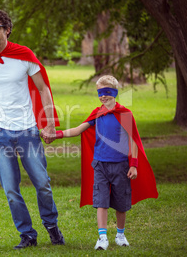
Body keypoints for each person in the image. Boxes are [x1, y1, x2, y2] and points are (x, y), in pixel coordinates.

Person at [0, 10, 65, 249]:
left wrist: (50, 123)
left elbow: (43, 89)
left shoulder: (24, 56)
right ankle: (27, 235)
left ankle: (51, 226)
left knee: (42, 182)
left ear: (7, 29)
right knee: (11, 189)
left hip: (27, 130)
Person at [42, 75, 158, 250]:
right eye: (99, 93)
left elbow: (133, 140)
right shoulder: (97, 114)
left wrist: (134, 164)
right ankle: (102, 237)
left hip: (121, 166)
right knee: (101, 201)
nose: (102, 96)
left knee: (121, 202)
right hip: (100, 165)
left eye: (106, 92)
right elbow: (77, 130)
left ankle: (120, 234)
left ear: (115, 92)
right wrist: (56, 134)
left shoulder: (125, 114)